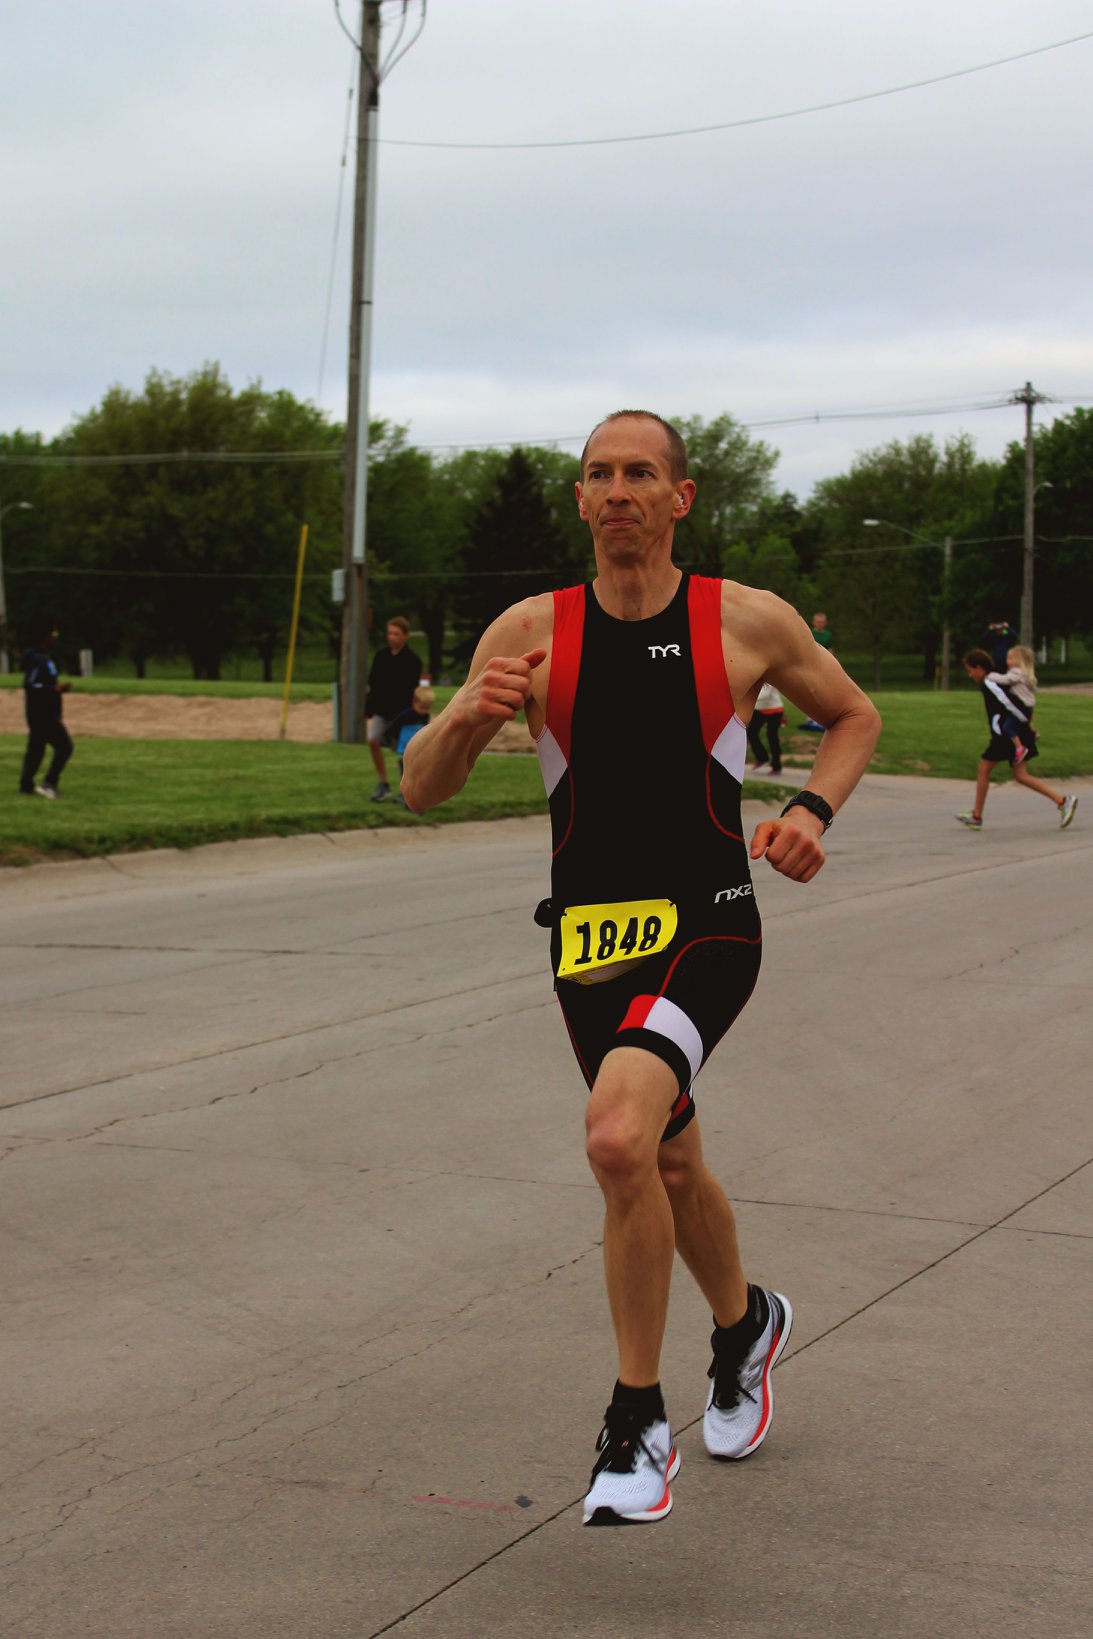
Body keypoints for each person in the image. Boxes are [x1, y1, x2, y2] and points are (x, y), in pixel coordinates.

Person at [403, 410, 880, 1527]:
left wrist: (811, 807)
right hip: (586, 943)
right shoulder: (527, 631)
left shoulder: (744, 621)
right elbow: (422, 786)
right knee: (662, 1164)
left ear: (681, 498)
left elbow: (853, 716)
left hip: (710, 922)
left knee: (618, 1135)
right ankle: (745, 1324)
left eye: (640, 474)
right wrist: (468, 718)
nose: (618, 490)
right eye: (598, 474)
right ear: (579, 501)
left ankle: (634, 1420)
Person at [956, 649, 1076, 830]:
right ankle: (1063, 801)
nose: (969, 674)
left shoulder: (990, 683)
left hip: (1007, 736)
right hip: (1013, 733)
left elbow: (1011, 704)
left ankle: (976, 816)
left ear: (979, 668)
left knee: (984, 769)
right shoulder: (992, 681)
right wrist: (1028, 725)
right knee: (1021, 776)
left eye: (970, 670)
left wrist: (1026, 723)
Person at [365, 616, 422, 802]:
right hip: (381, 709)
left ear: (405, 636)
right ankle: (383, 784)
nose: (392, 637)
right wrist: (369, 709)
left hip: (401, 713)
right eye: (389, 633)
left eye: (396, 634)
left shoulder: (413, 661)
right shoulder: (381, 657)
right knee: (373, 741)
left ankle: (407, 790)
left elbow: (416, 689)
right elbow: (373, 684)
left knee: (405, 752)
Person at [18, 626, 73, 799]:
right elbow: (30, 684)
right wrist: (54, 689)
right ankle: (49, 783)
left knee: (36, 749)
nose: (55, 639)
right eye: (53, 636)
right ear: (44, 638)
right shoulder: (38, 659)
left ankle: (26, 785)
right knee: (65, 747)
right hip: (43, 713)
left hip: (40, 712)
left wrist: (54, 690)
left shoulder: (41, 658)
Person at [385, 683, 435, 808]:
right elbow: (391, 730)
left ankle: (415, 799)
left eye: (427, 708)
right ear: (414, 702)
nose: (424, 711)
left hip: (419, 752)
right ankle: (406, 798)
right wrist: (394, 743)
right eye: (422, 707)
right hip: (405, 753)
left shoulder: (426, 717)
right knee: (406, 777)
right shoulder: (405, 716)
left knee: (419, 777)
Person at [987, 645, 1037, 764]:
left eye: (1010, 659)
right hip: (1028, 706)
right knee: (1023, 720)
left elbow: (1006, 680)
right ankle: (1033, 731)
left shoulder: (1016, 673)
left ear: (1020, 661)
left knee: (1007, 727)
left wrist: (990, 675)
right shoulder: (1025, 673)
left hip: (1021, 705)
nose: (1007, 661)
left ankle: (1020, 748)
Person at [800, 613, 832, 730]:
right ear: (814, 622)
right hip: (810, 666)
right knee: (810, 692)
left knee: (823, 692)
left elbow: (830, 650)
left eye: (822, 622)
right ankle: (810, 717)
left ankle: (822, 717)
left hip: (823, 666)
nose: (820, 624)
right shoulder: (808, 632)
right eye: (818, 622)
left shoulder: (828, 635)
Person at [746, 681, 784, 773]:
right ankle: (762, 758)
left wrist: (746, 696)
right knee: (751, 733)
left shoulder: (769, 677)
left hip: (774, 711)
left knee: (772, 737)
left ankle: (776, 766)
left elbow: (764, 694)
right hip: (759, 711)